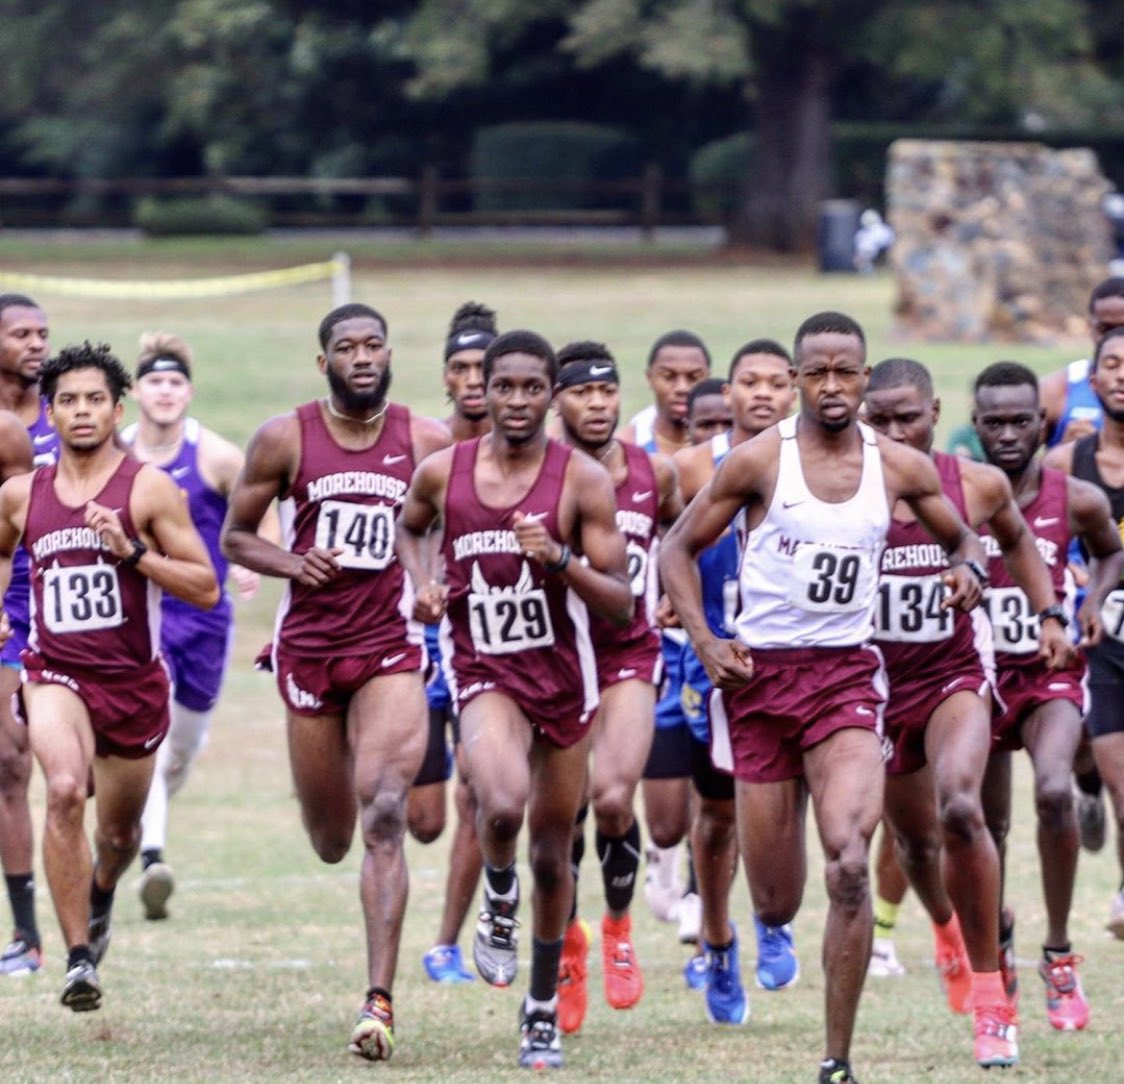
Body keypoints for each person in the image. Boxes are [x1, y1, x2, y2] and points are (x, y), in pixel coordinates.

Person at [660, 312, 991, 1084]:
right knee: (776, 900)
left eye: (848, 372)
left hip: (845, 677)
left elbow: (965, 539)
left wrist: (968, 571)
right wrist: (707, 641)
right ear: (800, 380)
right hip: (758, 683)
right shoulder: (755, 463)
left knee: (848, 864)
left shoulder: (900, 466)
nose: (833, 386)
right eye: (819, 373)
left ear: (865, 378)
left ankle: (835, 1059)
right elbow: (677, 549)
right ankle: (752, 929)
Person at [395, 329, 633, 1069]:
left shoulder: (581, 481)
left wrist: (559, 560)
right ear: (483, 390)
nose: (520, 401)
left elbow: (621, 602)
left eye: (535, 388)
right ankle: (497, 895)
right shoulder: (443, 472)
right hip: (483, 669)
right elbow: (411, 529)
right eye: (507, 387)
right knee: (499, 804)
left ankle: (538, 1011)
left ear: (551, 395)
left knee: (554, 853)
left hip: (565, 678)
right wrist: (424, 586)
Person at [221, 303, 451, 1061]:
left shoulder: (426, 442)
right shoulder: (284, 437)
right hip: (310, 650)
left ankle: (378, 1001)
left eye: (373, 345)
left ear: (390, 355)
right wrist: (293, 563)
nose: (361, 357)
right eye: (346, 347)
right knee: (330, 839)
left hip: (389, 643)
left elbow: (456, 529)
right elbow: (236, 535)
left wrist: (431, 582)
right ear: (324, 363)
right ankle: (343, 780)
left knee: (386, 811)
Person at [865, 358, 1080, 1048]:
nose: (895, 431)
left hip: (956, 676)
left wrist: (1048, 615)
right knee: (916, 844)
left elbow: (1018, 539)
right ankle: (948, 931)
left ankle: (993, 999)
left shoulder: (975, 484)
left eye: (908, 417)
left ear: (936, 415)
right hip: (873, 686)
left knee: (962, 806)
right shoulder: (841, 490)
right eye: (882, 419)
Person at [0, 341, 218, 1011]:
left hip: (132, 683)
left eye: (95, 399)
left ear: (116, 409)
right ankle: (75, 961)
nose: (82, 411)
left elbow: (205, 585)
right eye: (67, 400)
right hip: (53, 672)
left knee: (119, 836)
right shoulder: (20, 492)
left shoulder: (149, 487)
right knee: (63, 789)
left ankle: (100, 894)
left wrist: (133, 554)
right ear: (51, 411)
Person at [970, 360, 1121, 1031]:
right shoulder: (954, 497)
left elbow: (1112, 550)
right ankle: (995, 939)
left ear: (1043, 422)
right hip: (972, 678)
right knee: (985, 824)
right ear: (975, 427)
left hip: (1048, 670)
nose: (1007, 434)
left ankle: (1057, 954)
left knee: (1055, 789)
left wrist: (1091, 598)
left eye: (1019, 421)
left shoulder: (1074, 495)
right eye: (993, 422)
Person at [550, 340, 681, 1034]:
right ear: (554, 401)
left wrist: (675, 597)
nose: (597, 404)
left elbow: (683, 536)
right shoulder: (539, 474)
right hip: (556, 658)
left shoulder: (651, 474)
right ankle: (569, 940)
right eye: (580, 393)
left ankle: (618, 925)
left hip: (630, 649)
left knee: (611, 798)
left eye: (607, 392)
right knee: (562, 816)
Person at [122, 331, 272, 922]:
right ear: (134, 391)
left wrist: (249, 561)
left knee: (183, 749)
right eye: (155, 381)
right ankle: (152, 857)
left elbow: (259, 516)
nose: (165, 391)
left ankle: (140, 815)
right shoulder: (117, 449)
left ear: (189, 392)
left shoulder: (217, 455)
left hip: (205, 620)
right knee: (152, 744)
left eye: (175, 382)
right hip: (140, 614)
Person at [673, 340, 798, 1021]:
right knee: (719, 813)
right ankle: (719, 941)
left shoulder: (825, 465)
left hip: (803, 662)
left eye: (776, 383)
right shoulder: (694, 468)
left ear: (796, 391)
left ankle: (775, 915)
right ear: (731, 391)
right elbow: (669, 551)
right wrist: (684, 614)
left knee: (790, 802)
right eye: (748, 381)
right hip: (720, 668)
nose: (761, 393)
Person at [416, 301, 496, 984]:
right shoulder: (426, 448)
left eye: (484, 368)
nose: (473, 380)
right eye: (462, 367)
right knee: (422, 820)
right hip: (418, 642)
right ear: (446, 376)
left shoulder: (528, 453)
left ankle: (447, 942)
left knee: (477, 790)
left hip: (489, 644)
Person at [621, 331, 711, 932]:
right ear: (650, 377)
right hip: (651, 636)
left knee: (717, 769)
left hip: (713, 632)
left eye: (693, 375)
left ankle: (705, 900)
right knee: (663, 815)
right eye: (669, 376)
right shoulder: (630, 444)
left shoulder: (730, 439)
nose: (680, 388)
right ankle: (662, 862)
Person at [1043, 326, 1124, 942]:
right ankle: (1093, 788)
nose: (1123, 375)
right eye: (1113, 365)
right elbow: (1036, 538)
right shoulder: (1066, 463)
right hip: (1101, 640)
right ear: (1091, 383)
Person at [0, 294, 51, 977]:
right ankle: (28, 936)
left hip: (60, 606)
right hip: (9, 616)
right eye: (21, 334)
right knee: (10, 765)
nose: (36, 344)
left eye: (43, 333)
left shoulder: (71, 409)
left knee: (80, 778)